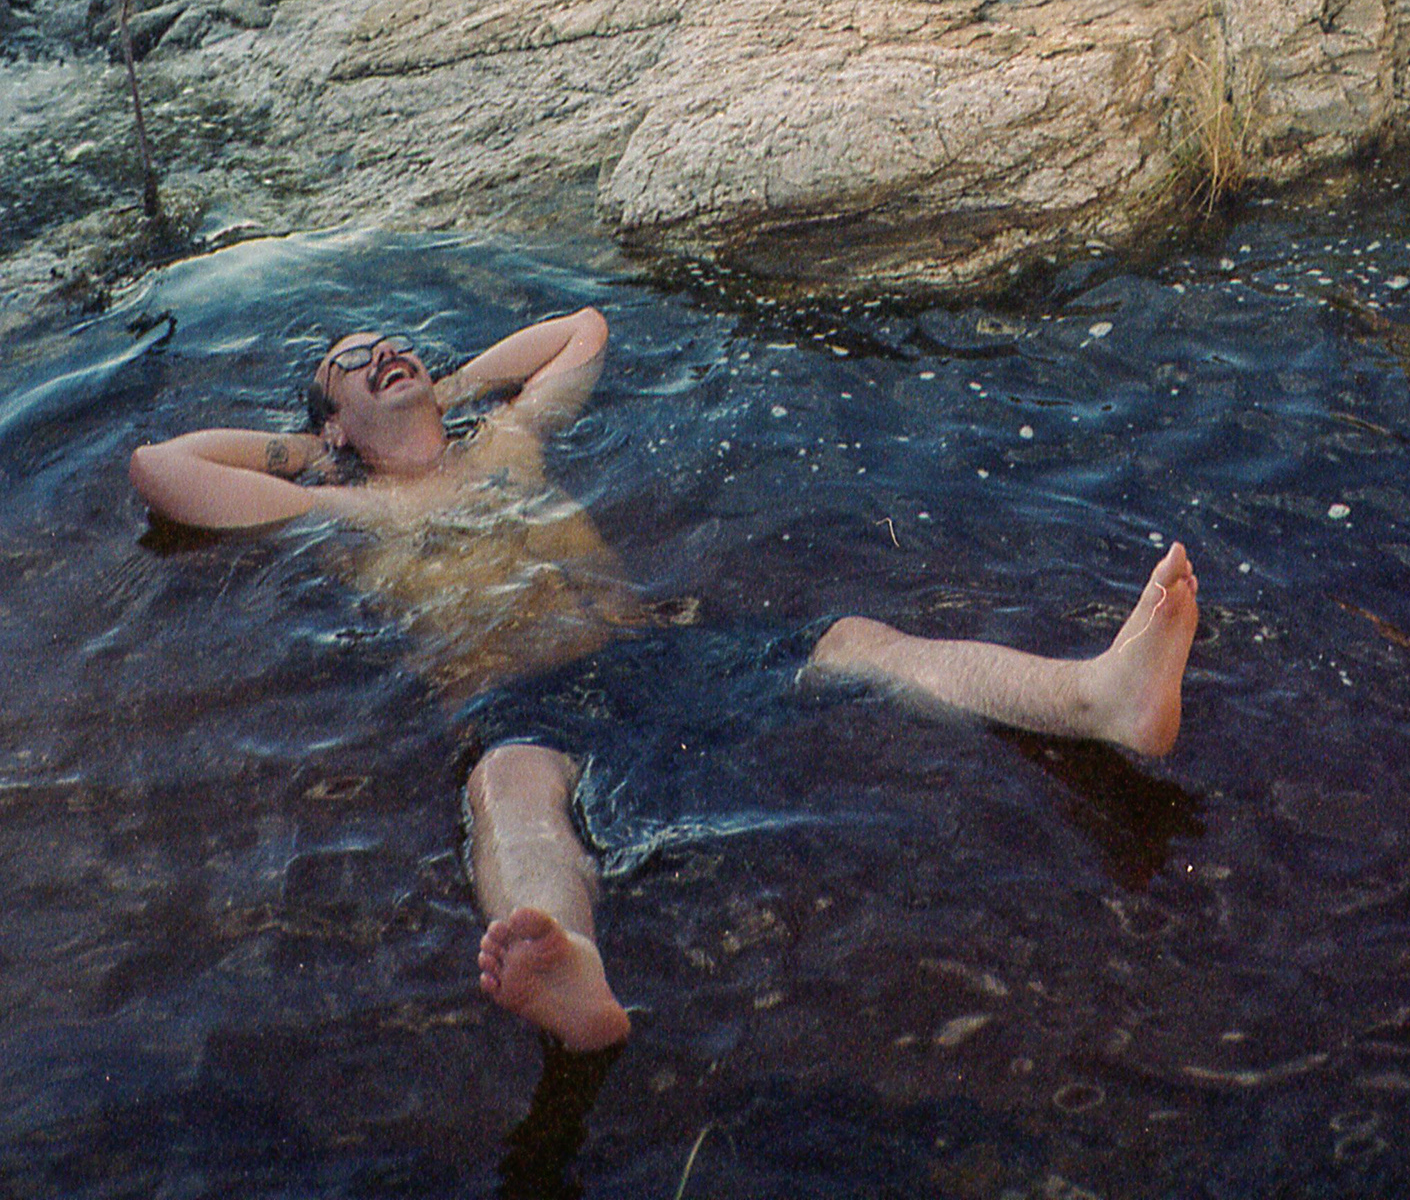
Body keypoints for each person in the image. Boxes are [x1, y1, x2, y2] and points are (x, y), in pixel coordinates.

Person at [129, 306, 1200, 1056]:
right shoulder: (339, 508)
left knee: (858, 638)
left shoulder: (506, 441)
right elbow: (162, 468)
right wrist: (311, 450)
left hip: (650, 653)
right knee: (508, 792)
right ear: (327, 423)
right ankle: (570, 965)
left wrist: (442, 389)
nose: (386, 355)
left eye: (395, 344)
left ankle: (1097, 697)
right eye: (354, 362)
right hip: (519, 705)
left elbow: (582, 330)